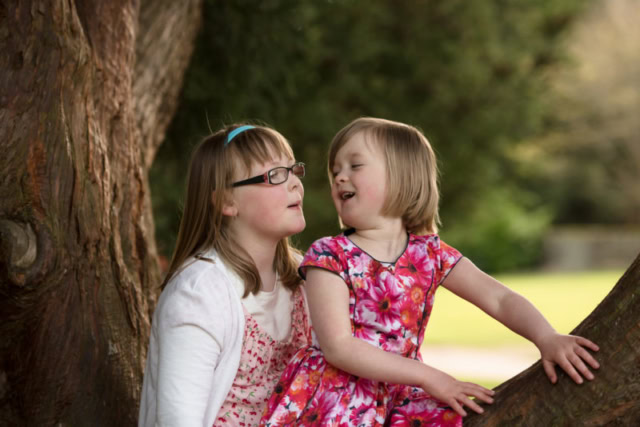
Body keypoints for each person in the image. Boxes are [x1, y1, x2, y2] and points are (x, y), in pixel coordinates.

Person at [260, 117, 600, 426]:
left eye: (355, 165)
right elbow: (339, 347)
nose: (340, 177)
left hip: (405, 395)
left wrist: (546, 336)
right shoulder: (330, 255)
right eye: (335, 171)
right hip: (336, 396)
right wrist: (428, 376)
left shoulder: (430, 254)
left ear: (402, 176)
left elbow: (498, 297)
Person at [138, 124, 312, 427]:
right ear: (227, 202)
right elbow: (178, 419)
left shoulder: (305, 276)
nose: (295, 184)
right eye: (275, 175)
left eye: (293, 169)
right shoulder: (199, 293)